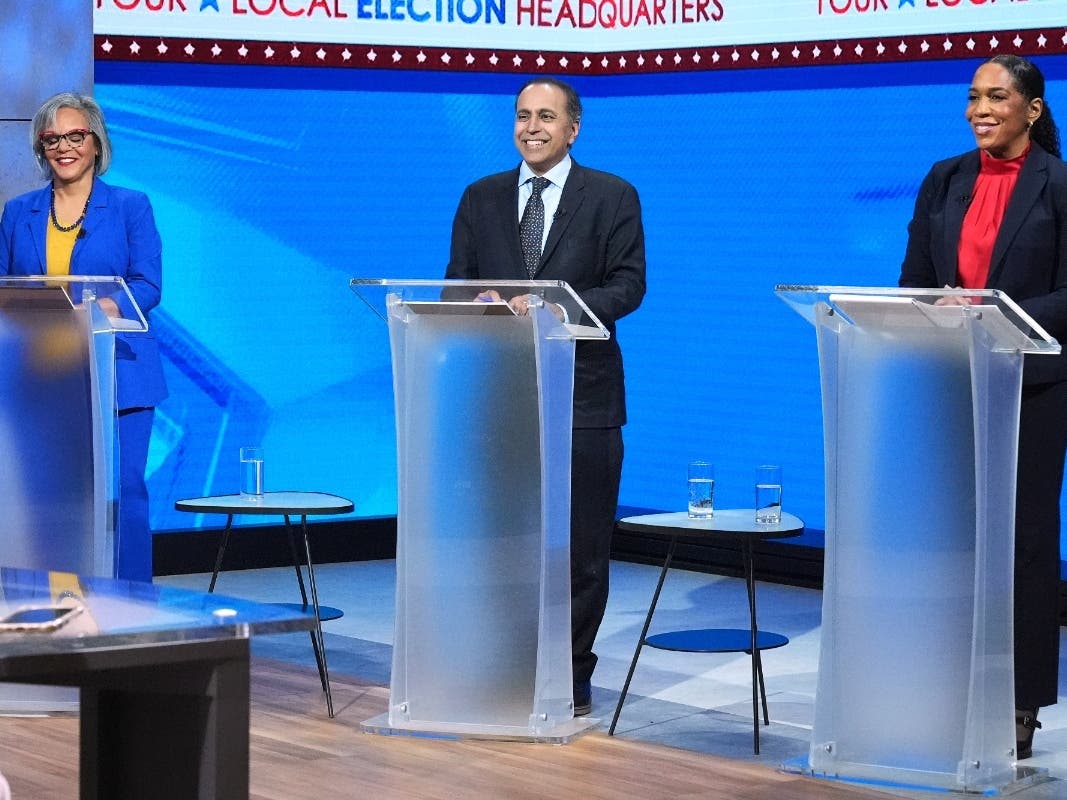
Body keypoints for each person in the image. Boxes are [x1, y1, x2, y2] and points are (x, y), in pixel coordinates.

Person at [446, 77, 647, 716]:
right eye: (522, 116)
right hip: (502, 397)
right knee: (505, 541)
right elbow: (456, 285)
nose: (532, 127)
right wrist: (478, 302)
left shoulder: (612, 196)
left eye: (546, 117)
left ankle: (570, 672)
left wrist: (561, 308)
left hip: (583, 398)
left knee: (581, 547)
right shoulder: (481, 197)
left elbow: (629, 285)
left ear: (573, 128)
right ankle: (504, 660)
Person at [898, 54, 1067, 759]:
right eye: (971, 97)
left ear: (1031, 109)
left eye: (996, 97)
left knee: (1023, 543)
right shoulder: (944, 178)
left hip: (1032, 386)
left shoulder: (1058, 185)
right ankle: (948, 683)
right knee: (956, 541)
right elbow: (913, 280)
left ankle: (1020, 700)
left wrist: (998, 316)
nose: (979, 109)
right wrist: (932, 309)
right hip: (953, 380)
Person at [0, 92, 167, 583]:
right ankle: (45, 606)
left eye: (75, 136)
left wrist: (101, 309)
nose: (64, 147)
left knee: (125, 495)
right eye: (52, 139)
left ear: (96, 143)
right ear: (40, 148)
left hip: (120, 373)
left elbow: (148, 284)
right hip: (43, 382)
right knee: (44, 504)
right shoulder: (18, 212)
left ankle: (134, 609)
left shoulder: (131, 206)